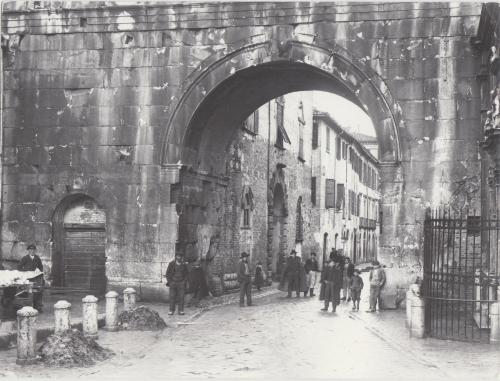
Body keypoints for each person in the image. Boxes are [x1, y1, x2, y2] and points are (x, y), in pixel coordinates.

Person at [18, 244, 44, 312]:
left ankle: (37, 307)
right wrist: (26, 271)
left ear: (35, 251)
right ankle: (27, 308)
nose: (32, 251)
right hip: (28, 278)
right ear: (28, 251)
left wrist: (39, 271)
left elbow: (41, 267)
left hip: (36, 278)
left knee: (37, 292)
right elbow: (19, 268)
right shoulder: (25, 258)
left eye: (33, 250)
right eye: (30, 250)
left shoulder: (37, 258)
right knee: (28, 293)